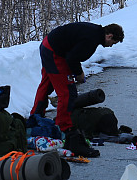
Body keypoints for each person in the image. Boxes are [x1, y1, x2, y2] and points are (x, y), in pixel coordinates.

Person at [30, 22, 124, 156]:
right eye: (113, 43)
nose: (111, 46)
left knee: (47, 85)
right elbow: (72, 59)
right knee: (67, 93)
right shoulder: (91, 39)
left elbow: (71, 54)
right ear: (109, 36)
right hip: (54, 52)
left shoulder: (94, 32)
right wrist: (79, 74)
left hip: (49, 46)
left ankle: (35, 117)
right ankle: (65, 128)